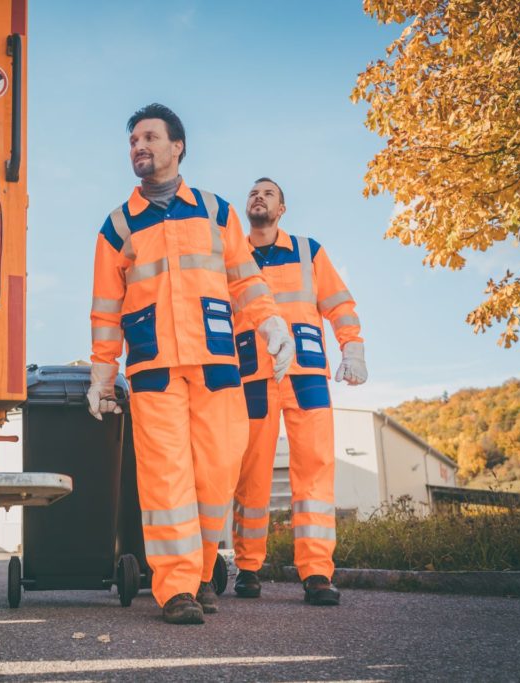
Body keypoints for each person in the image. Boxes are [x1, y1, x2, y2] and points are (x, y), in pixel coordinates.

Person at [86, 105, 294, 624]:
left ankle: (202, 574)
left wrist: (271, 324)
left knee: (218, 473)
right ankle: (176, 588)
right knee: (166, 478)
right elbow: (106, 309)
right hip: (154, 367)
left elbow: (245, 280)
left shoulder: (216, 211)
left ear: (177, 146)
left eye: (150, 136)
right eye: (133, 138)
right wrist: (101, 375)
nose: (139, 145)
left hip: (217, 363)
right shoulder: (117, 226)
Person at [231, 177, 367, 606]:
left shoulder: (309, 252)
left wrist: (353, 348)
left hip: (306, 373)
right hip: (252, 374)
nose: (259, 197)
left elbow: (339, 304)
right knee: (250, 475)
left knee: (315, 472)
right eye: (253, 192)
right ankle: (248, 568)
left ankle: (317, 575)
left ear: (282, 209)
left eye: (268, 193)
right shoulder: (232, 257)